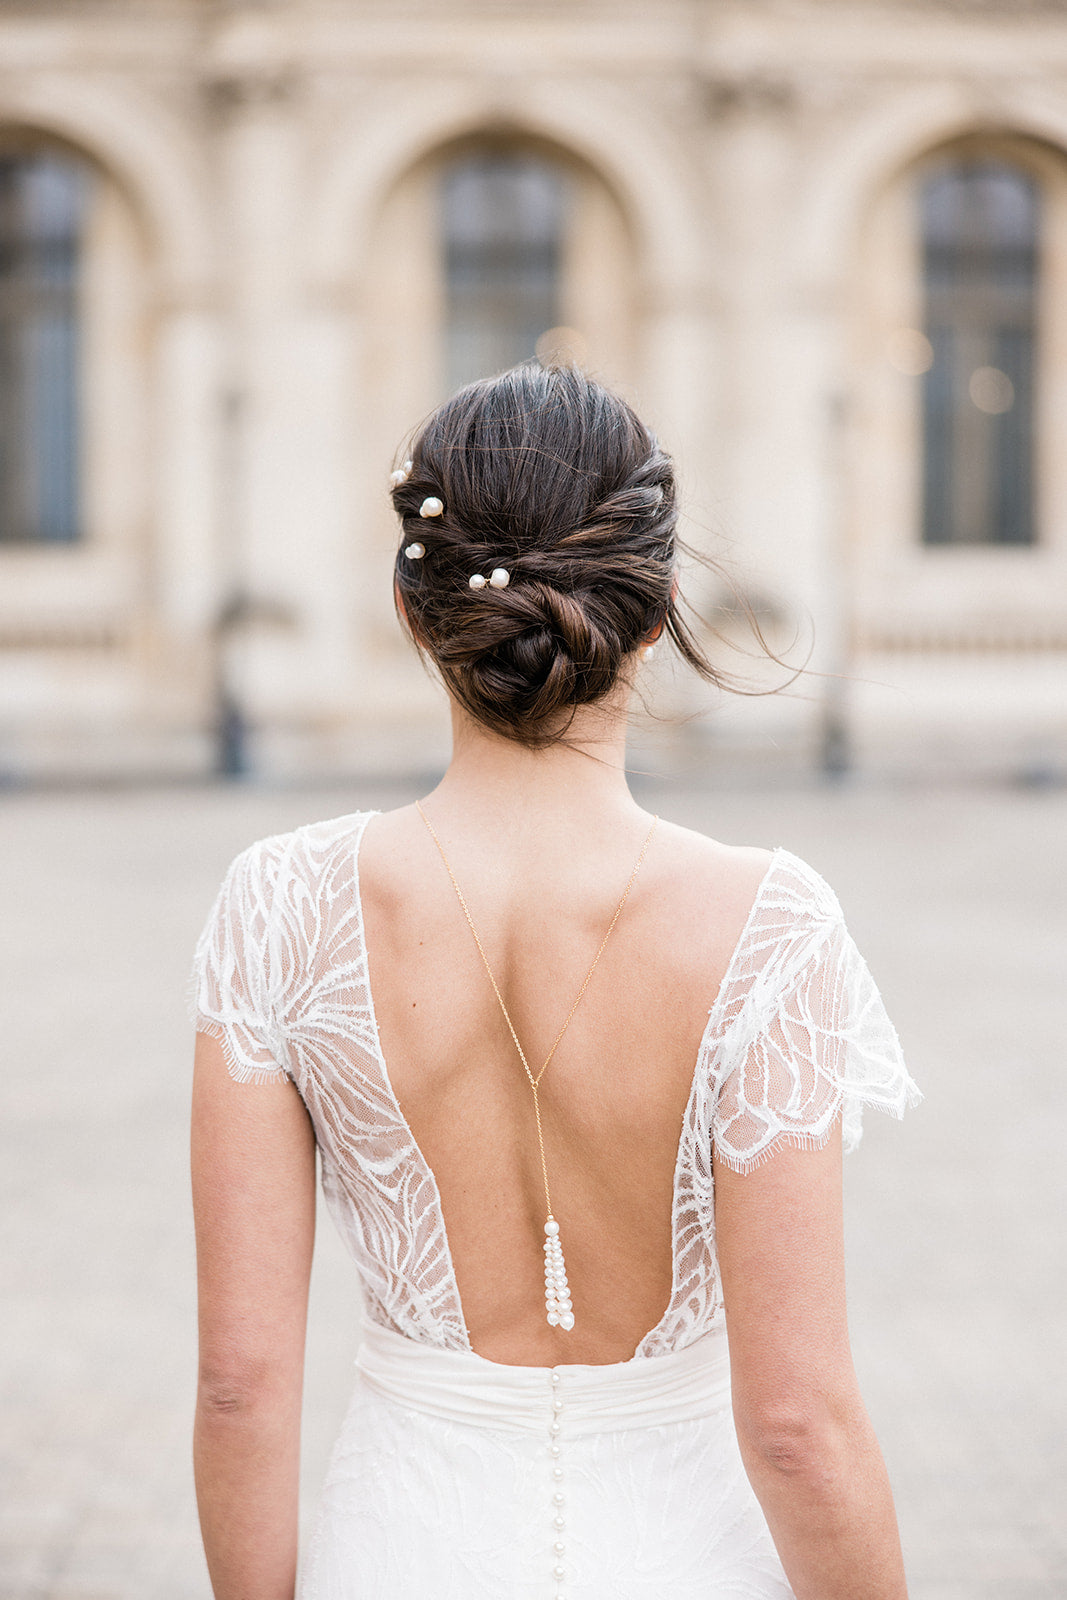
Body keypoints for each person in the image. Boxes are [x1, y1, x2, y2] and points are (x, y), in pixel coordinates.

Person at [190, 363, 920, 1600]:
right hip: (682, 1553)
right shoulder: (769, 926)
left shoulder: (278, 907)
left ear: (418, 616)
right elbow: (797, 1424)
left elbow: (240, 1386)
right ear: (656, 610)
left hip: (402, 1548)